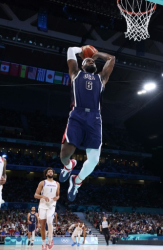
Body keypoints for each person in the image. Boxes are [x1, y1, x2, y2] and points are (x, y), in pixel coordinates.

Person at [59, 45, 115, 202]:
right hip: (77, 115)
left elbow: (112, 59)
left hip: (95, 119)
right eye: (87, 60)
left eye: (93, 61)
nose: (91, 61)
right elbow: (70, 50)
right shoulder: (75, 73)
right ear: (81, 64)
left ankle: (77, 181)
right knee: (64, 156)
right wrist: (82, 49)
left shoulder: (101, 78)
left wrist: (96, 54)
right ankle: (69, 166)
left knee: (94, 160)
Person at [34, 167, 60, 250]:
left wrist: (57, 198)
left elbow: (58, 195)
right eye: (49, 171)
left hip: (51, 205)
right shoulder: (42, 183)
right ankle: (43, 243)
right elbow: (36, 195)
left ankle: (50, 240)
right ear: (46, 174)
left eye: (52, 171)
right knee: (42, 225)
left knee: (49, 221)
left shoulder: (57, 183)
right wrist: (43, 196)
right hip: (42, 205)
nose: (51, 172)